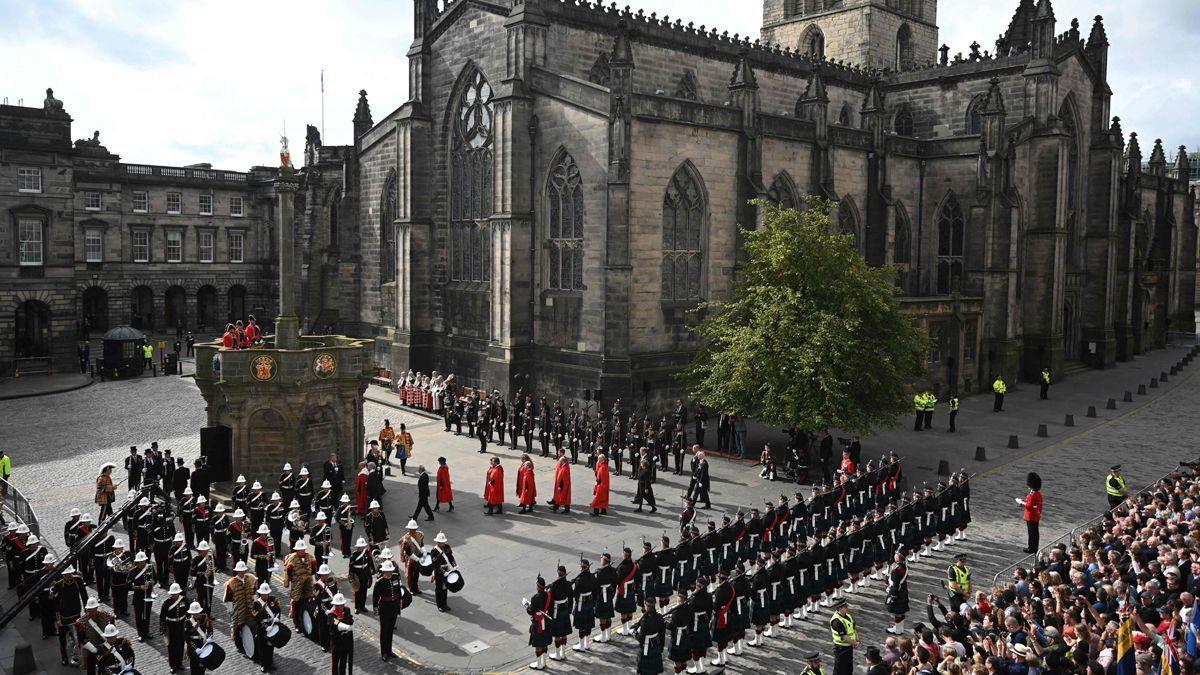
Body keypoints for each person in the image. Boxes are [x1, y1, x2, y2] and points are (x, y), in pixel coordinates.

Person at [373, 560, 408, 661]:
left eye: (390, 570)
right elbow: (375, 598)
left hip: (394, 607)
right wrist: (376, 610)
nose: (389, 572)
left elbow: (398, 591)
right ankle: (384, 652)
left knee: (390, 630)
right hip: (384, 608)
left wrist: (400, 602)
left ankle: (389, 650)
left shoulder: (396, 576)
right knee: (384, 631)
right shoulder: (379, 582)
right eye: (387, 571)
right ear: (384, 571)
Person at [251, 582, 282, 672]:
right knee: (263, 647)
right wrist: (264, 626)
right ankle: (264, 664)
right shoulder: (256, 604)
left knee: (270, 645)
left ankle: (270, 663)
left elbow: (278, 610)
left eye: (267, 594)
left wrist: (277, 618)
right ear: (260, 594)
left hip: (271, 625)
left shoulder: (272, 600)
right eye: (264, 594)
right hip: (262, 628)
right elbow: (255, 618)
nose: (266, 596)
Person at [159, 583, 188, 672]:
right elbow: (162, 617)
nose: (175, 595)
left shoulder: (185, 600)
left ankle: (179, 663)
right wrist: (163, 629)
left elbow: (188, 613)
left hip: (181, 624)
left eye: (177, 593)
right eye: (174, 594)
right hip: (171, 626)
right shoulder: (166, 603)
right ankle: (172, 665)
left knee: (180, 645)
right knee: (171, 647)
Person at [527, 576, 553, 670]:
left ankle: (539, 664)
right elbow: (550, 608)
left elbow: (531, 611)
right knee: (545, 643)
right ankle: (544, 662)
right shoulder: (549, 595)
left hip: (538, 623)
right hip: (546, 621)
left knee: (538, 645)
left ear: (538, 586)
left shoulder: (535, 598)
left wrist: (528, 608)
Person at [637, 598, 666, 675]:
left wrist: (635, 634)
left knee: (645, 672)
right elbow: (662, 634)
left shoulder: (645, 621)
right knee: (654, 671)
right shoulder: (659, 617)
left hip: (646, 647)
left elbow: (641, 639)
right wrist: (662, 647)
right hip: (656, 645)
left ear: (646, 606)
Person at [429, 532, 456, 612]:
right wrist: (443, 572)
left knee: (445, 588)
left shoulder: (447, 547)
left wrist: (454, 565)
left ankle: (445, 604)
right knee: (439, 589)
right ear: (437, 542)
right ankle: (439, 605)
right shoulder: (434, 551)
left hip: (447, 570)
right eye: (441, 542)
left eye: (444, 542)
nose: (443, 543)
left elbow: (450, 557)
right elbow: (435, 564)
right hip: (439, 572)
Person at [829, 598, 857, 675]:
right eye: (846, 607)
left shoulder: (848, 616)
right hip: (841, 648)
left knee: (849, 667)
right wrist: (855, 643)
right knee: (840, 669)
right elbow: (844, 637)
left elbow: (853, 628)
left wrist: (857, 639)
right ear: (840, 609)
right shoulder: (837, 621)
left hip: (849, 646)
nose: (848, 608)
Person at [1017, 472, 1043, 553]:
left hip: (1031, 516)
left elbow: (1029, 506)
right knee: (1034, 533)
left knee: (1032, 533)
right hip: (1036, 515)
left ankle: (1032, 548)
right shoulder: (1038, 494)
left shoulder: (1033, 494)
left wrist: (1020, 502)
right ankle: (1033, 547)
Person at [329, 593, 355, 675]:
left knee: (343, 663)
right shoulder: (332, 615)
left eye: (342, 604)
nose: (340, 607)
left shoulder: (347, 610)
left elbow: (350, 619)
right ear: (335, 605)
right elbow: (336, 623)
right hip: (337, 643)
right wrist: (346, 627)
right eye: (338, 605)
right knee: (335, 664)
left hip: (346, 642)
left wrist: (349, 623)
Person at [884, 550, 909, 635]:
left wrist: (893, 596)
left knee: (898, 612)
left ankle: (897, 630)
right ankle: (900, 628)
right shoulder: (904, 567)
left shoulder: (896, 570)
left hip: (897, 593)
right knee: (901, 612)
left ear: (900, 558)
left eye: (896, 554)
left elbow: (895, 585)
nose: (895, 555)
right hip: (903, 591)